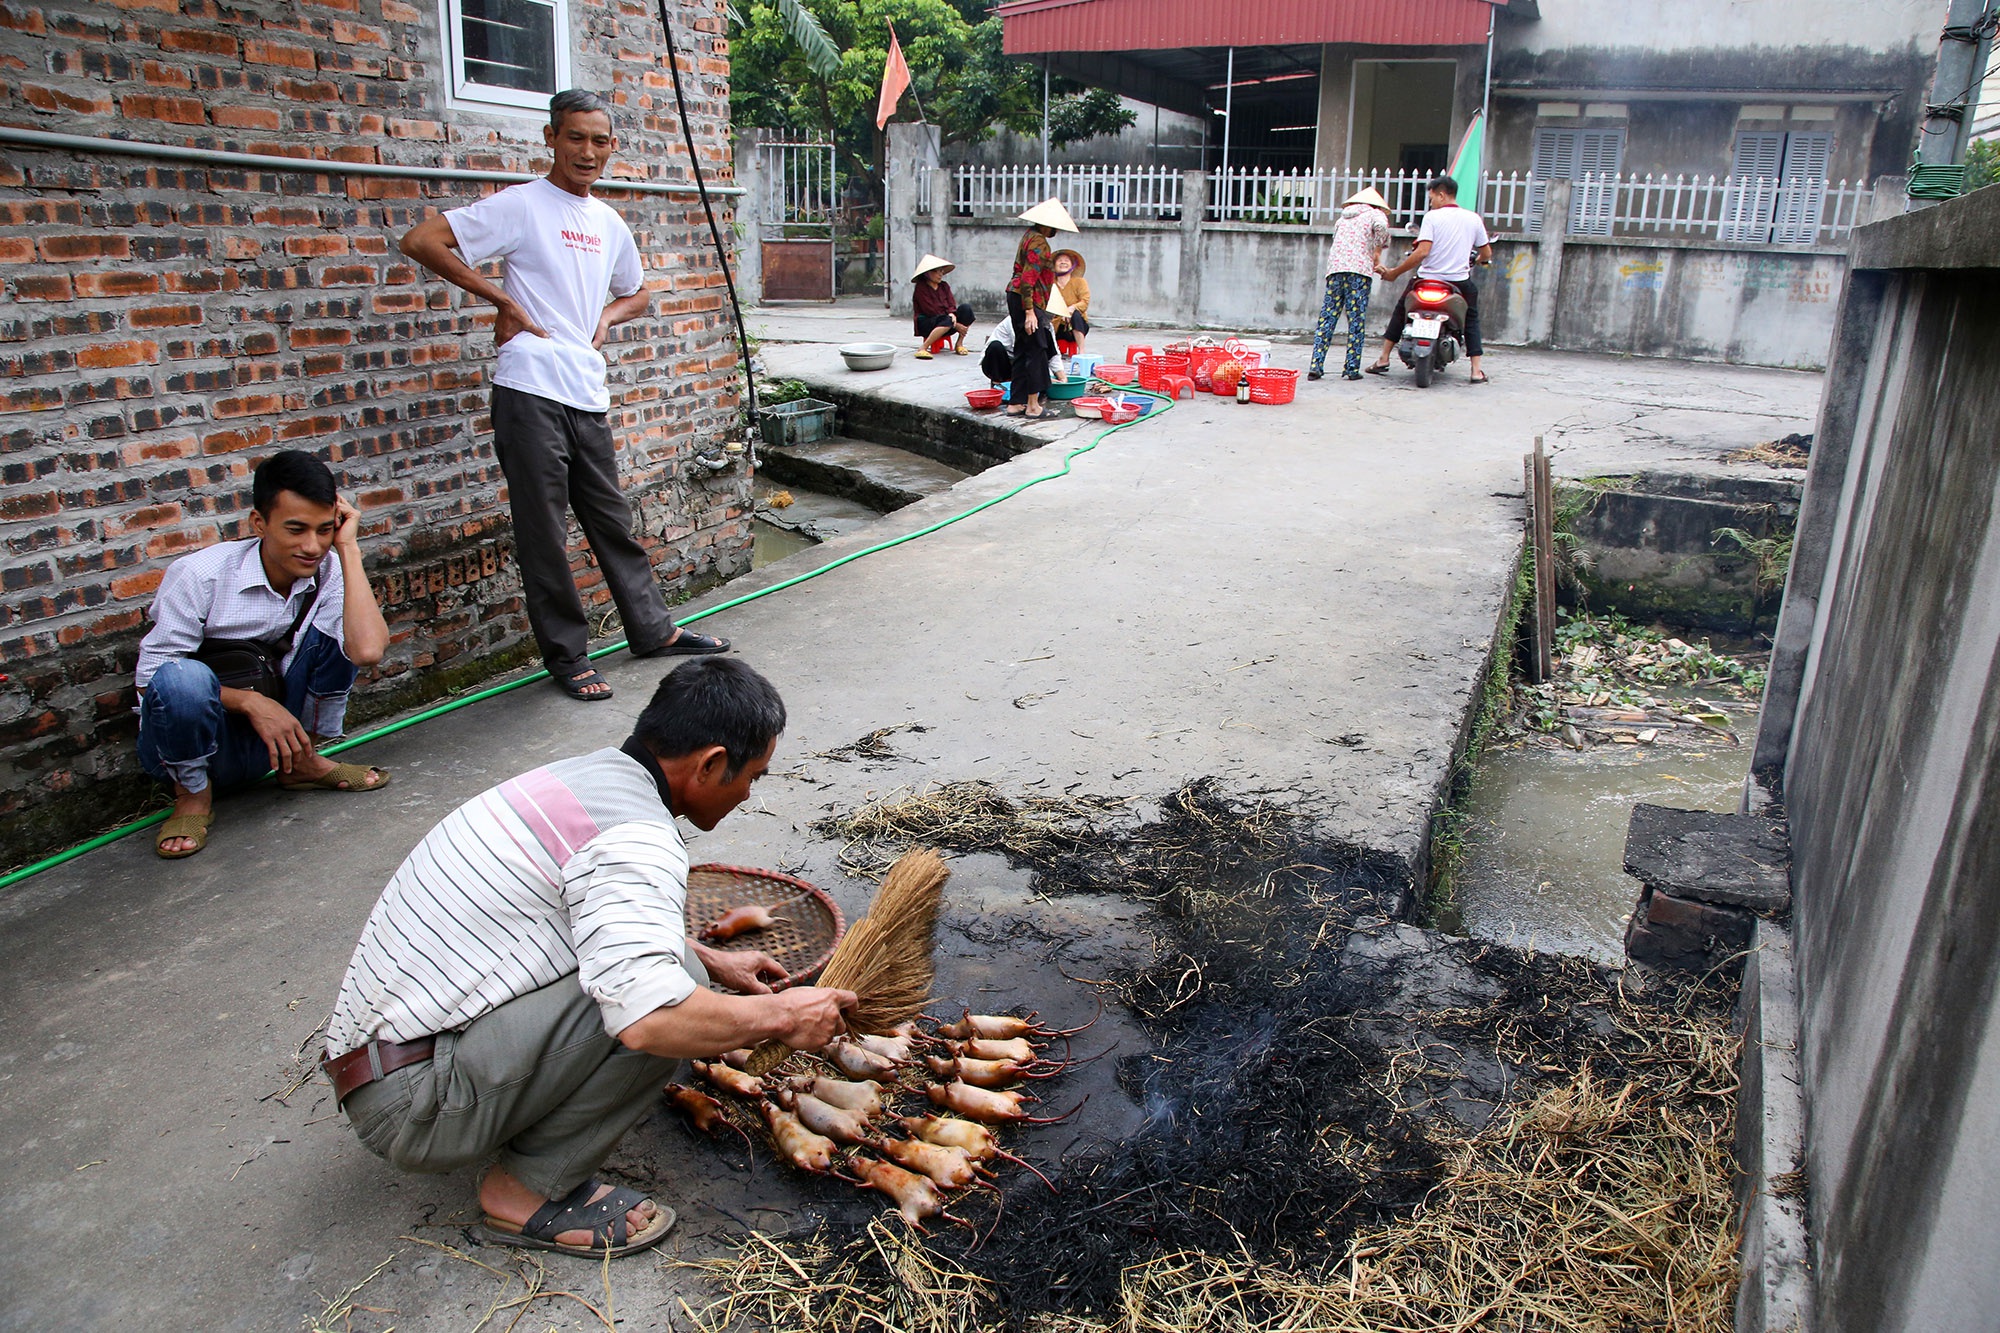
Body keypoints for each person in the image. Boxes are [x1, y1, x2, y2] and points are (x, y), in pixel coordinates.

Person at [323, 657, 856, 1259]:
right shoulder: (636, 839)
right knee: (665, 1000)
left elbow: (573, 920)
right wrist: (786, 1017)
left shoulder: (581, 780)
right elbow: (652, 1019)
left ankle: (511, 1111)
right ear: (709, 764)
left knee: (679, 968)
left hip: (374, 1061)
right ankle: (524, 1191)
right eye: (751, 776)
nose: (750, 792)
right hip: (412, 1106)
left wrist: (713, 959)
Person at [398, 88, 727, 705]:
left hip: (585, 388)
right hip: (528, 387)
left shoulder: (607, 221)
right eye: (575, 137)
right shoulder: (521, 205)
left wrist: (606, 318)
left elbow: (639, 292)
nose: (587, 151)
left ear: (611, 147)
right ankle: (567, 655)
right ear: (551, 138)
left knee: (610, 519)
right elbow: (422, 241)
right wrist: (502, 301)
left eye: (600, 140)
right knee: (544, 531)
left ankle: (653, 631)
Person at [136, 450, 392, 859]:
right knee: (180, 678)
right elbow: (152, 681)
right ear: (259, 523)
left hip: (278, 741)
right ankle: (192, 796)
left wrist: (349, 550)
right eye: (296, 529)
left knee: (345, 628)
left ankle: (303, 762)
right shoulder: (200, 575)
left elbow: (366, 649)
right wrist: (249, 702)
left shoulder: (328, 565)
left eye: (324, 529)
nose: (312, 546)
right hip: (201, 744)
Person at [1367, 175, 1493, 384]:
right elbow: (1486, 253)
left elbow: (1422, 252)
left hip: (1426, 280)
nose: (1431, 202)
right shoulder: (1473, 219)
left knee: (1401, 311)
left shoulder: (1432, 218)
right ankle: (1476, 370)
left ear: (1442, 195)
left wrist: (1394, 272)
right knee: (1471, 319)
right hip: (1458, 282)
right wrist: (1480, 260)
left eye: (1432, 198)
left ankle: (1383, 358)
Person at [1005, 197, 1078, 420]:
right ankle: (1033, 406)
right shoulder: (1038, 242)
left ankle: (1015, 403)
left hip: (1016, 295)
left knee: (1022, 348)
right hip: (1028, 300)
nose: (1055, 230)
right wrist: (1030, 311)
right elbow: (1029, 278)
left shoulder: (1028, 235)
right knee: (1036, 350)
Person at [1309, 188, 1391, 382]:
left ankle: (1316, 365)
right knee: (1356, 320)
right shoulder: (1375, 214)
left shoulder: (1342, 219)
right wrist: (1377, 249)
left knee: (1327, 318)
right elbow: (1381, 227)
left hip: (1335, 270)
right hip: (1359, 273)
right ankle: (1351, 368)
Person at [910, 254, 974, 358]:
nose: (940, 274)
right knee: (947, 319)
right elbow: (930, 310)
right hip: (928, 322)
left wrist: (952, 314)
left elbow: (951, 303)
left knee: (966, 309)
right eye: (937, 271)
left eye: (941, 272)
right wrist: (954, 323)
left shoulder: (944, 286)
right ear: (927, 273)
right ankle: (923, 348)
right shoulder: (921, 288)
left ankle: (959, 343)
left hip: (947, 321)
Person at [1050, 250, 1091, 355]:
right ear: (1054, 265)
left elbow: (1084, 302)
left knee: (1076, 315)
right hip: (1055, 325)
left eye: (1066, 260)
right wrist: (1061, 312)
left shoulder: (1080, 282)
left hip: (1076, 325)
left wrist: (1071, 309)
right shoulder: (1050, 284)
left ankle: (1081, 351)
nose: (1063, 262)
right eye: (1060, 260)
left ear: (1072, 266)